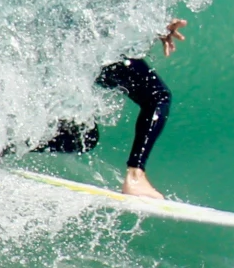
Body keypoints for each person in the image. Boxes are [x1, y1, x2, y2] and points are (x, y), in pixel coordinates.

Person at [25, 18, 187, 199]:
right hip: (92, 45)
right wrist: (156, 22)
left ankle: (2, 148)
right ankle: (135, 177)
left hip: (55, 46)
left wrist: (154, 25)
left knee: (84, 137)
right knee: (158, 97)